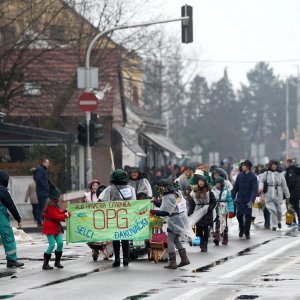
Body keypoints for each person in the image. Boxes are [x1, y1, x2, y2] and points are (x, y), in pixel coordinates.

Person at [151, 177, 194, 269]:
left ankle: (172, 262)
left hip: (174, 220)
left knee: (170, 240)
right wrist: (155, 202)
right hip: (180, 218)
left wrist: (153, 212)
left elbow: (166, 212)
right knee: (176, 240)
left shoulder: (168, 197)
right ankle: (184, 259)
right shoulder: (175, 193)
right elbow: (166, 206)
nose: (159, 189)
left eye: (160, 187)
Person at [98, 169, 136, 267]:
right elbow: (134, 203)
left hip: (113, 217)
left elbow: (101, 200)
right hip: (126, 217)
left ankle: (117, 259)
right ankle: (126, 258)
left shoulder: (110, 189)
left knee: (115, 238)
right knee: (125, 238)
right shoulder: (131, 189)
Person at [42, 183, 71, 270]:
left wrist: (64, 212)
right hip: (50, 227)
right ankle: (45, 263)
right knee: (51, 245)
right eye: (58, 196)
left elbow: (58, 213)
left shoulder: (54, 205)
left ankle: (57, 262)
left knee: (60, 243)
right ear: (55, 197)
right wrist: (65, 215)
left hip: (55, 227)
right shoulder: (50, 206)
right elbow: (55, 216)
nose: (59, 198)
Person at [0, 170, 24, 268]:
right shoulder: (2, 191)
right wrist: (18, 218)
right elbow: (11, 205)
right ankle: (11, 260)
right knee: (8, 237)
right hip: (1, 219)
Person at [259, 160, 290, 231]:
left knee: (279, 211)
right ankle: (274, 225)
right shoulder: (266, 174)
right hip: (268, 195)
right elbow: (261, 181)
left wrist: (288, 195)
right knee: (273, 210)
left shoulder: (280, 174)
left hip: (278, 194)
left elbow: (284, 185)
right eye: (273, 165)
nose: (275, 166)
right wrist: (261, 187)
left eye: (276, 165)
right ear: (270, 165)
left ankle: (279, 221)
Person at [188, 175, 216, 252]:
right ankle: (201, 243)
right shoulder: (194, 191)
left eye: (202, 181)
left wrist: (209, 208)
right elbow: (192, 204)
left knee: (206, 229)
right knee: (199, 229)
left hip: (207, 212)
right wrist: (190, 213)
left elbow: (213, 202)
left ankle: (205, 244)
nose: (201, 182)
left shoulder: (209, 191)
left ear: (205, 182)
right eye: (199, 181)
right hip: (197, 212)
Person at [231, 160, 258, 239]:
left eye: (244, 165)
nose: (242, 167)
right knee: (239, 215)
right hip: (240, 199)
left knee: (248, 216)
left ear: (248, 167)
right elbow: (235, 187)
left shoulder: (253, 177)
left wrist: (251, 200)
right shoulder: (239, 175)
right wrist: (232, 197)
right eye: (242, 165)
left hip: (248, 200)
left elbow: (254, 190)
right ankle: (241, 228)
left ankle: (247, 232)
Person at [211, 177, 235, 246]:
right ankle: (217, 237)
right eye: (216, 183)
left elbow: (230, 201)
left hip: (224, 209)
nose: (217, 184)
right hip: (216, 208)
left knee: (224, 224)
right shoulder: (213, 190)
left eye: (218, 183)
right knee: (217, 223)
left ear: (221, 183)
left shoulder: (226, 191)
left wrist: (231, 211)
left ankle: (225, 237)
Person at [34, 158, 50, 226]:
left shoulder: (41, 169)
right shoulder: (41, 169)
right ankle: (40, 221)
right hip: (42, 192)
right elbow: (38, 179)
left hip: (42, 192)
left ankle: (40, 221)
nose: (48, 165)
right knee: (42, 207)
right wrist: (46, 187)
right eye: (47, 163)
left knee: (41, 207)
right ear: (43, 163)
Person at [284, 159, 300, 228]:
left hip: (293, 193)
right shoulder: (296, 170)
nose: (285, 164)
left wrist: (286, 187)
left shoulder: (291, 171)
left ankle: (294, 223)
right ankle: (293, 222)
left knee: (294, 207)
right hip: (296, 192)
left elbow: (291, 182)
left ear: (288, 163)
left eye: (286, 163)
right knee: (291, 207)